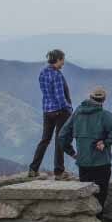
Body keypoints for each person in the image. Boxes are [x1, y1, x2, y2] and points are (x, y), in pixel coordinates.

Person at [58, 86, 112, 218]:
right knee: (100, 195)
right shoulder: (105, 116)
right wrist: (105, 142)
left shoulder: (77, 114)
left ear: (90, 97)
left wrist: (72, 152)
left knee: (86, 196)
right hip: (101, 163)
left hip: (83, 164)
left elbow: (62, 136)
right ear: (103, 100)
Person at [28, 49, 76, 180]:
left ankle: (33, 169)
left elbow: (46, 93)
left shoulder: (43, 73)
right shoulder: (57, 75)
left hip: (47, 111)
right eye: (62, 60)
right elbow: (61, 98)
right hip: (60, 112)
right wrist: (69, 109)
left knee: (45, 140)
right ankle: (59, 172)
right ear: (58, 59)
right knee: (59, 140)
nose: (63, 63)